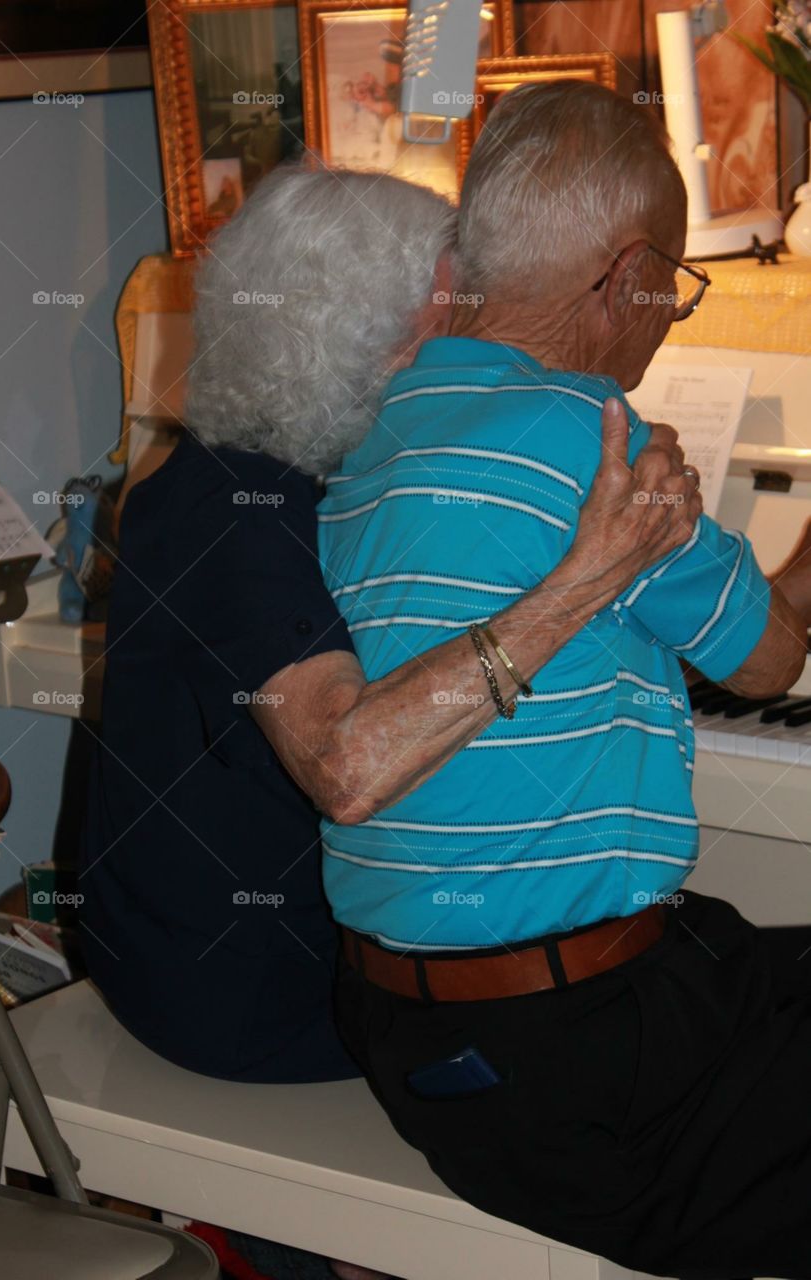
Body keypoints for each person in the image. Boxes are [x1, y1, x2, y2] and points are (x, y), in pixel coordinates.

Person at [314, 87, 811, 1279]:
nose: (667, 320)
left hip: (406, 1031)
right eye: (677, 286)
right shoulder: (597, 439)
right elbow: (773, 654)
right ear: (627, 271)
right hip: (578, 1076)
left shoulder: (365, 421)